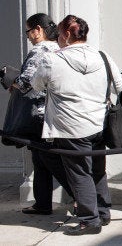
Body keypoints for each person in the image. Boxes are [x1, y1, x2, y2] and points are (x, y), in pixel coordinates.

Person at [31, 15, 122, 235]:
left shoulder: (52, 60)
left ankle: (90, 220)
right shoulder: (102, 56)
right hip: (99, 123)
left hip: (70, 126)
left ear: (66, 34)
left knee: (80, 174)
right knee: (98, 170)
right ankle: (102, 212)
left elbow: (36, 84)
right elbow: (118, 84)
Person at [7, 14, 74, 215]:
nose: (28, 36)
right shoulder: (57, 47)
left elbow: (25, 82)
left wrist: (7, 78)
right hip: (51, 112)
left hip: (38, 115)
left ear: (38, 29)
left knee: (49, 158)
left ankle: (82, 198)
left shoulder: (40, 50)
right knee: (40, 159)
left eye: (28, 31)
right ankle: (42, 202)